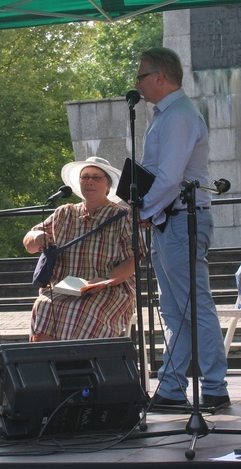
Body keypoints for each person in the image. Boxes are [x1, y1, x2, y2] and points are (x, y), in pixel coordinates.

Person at [135, 47, 230, 408]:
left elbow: (170, 177)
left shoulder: (178, 116)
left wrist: (142, 209)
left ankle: (215, 388)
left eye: (141, 76)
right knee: (174, 309)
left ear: (160, 76)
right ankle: (173, 387)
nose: (138, 85)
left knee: (195, 305)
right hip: (168, 220)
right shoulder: (166, 115)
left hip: (180, 219)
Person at [23, 156, 145, 342]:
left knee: (83, 310)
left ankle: (80, 367)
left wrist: (104, 281)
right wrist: (37, 237)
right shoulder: (64, 213)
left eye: (96, 177)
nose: (89, 181)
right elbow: (29, 244)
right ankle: (49, 366)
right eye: (85, 177)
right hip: (66, 286)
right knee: (44, 306)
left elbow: (133, 260)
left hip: (109, 288)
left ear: (108, 186)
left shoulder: (123, 216)